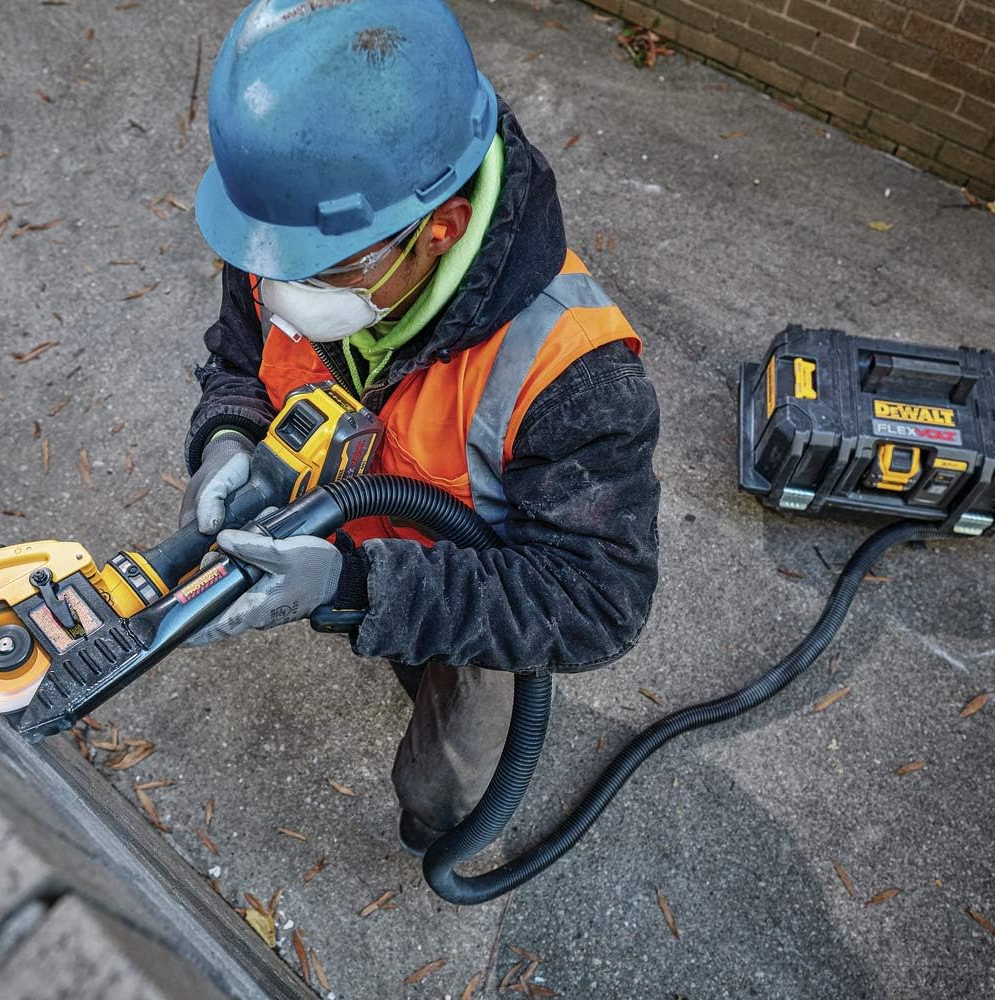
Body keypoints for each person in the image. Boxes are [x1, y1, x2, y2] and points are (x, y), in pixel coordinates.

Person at [178, 0, 660, 855]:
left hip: (483, 587)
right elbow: (239, 357)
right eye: (270, 263)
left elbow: (593, 599)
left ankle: (441, 831)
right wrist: (228, 435)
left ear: (442, 230)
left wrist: (359, 588)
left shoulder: (570, 371)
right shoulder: (296, 229)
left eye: (320, 272)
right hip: (354, 539)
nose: (281, 290)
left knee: (446, 776)